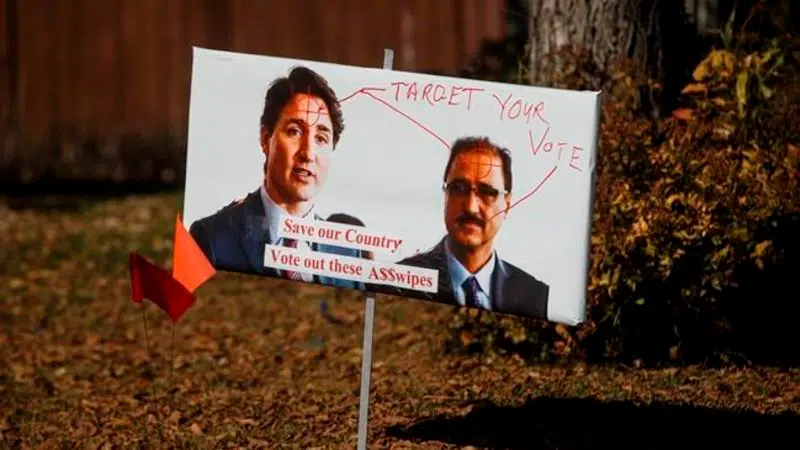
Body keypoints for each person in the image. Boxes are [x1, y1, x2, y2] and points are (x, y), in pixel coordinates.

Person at [189, 66, 366, 289]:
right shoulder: (212, 238)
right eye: (294, 131)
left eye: (321, 138)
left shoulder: (348, 252)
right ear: (266, 138)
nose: (308, 153)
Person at [393, 136, 549, 319]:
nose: (471, 207)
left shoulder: (535, 297)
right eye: (459, 188)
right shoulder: (399, 281)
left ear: (507, 204)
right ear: (445, 194)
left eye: (487, 192)